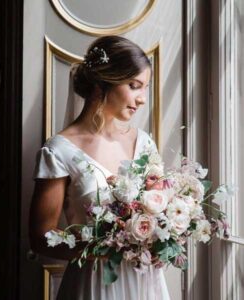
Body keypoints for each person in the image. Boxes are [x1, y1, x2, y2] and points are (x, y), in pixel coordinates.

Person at [29, 35, 170, 300]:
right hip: (94, 283)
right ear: (103, 82)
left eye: (145, 88)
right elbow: (40, 237)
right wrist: (106, 245)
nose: (141, 99)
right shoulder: (59, 151)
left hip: (146, 282)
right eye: (134, 85)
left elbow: (163, 207)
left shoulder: (143, 143)